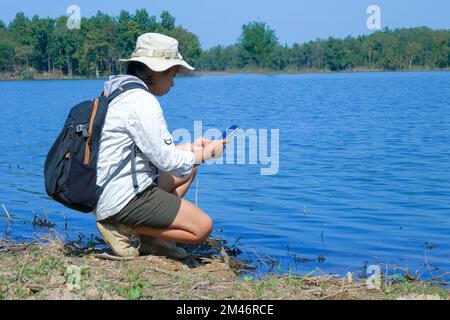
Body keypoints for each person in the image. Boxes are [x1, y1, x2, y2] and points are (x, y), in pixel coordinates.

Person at [95, 33, 227, 259]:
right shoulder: (142, 102)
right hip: (123, 197)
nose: (174, 82)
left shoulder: (117, 92)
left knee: (189, 169)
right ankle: (124, 226)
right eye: (173, 74)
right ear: (156, 71)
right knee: (202, 227)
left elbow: (154, 151)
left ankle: (152, 239)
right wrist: (206, 154)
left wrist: (191, 147)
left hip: (109, 189)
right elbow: (169, 162)